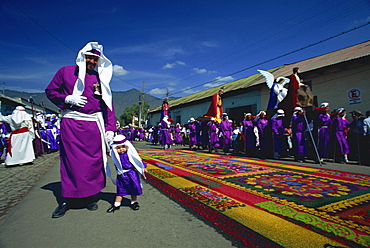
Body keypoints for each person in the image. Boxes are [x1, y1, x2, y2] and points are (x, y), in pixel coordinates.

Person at [45, 42, 117, 218]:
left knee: (94, 163)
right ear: (82, 56)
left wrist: (110, 128)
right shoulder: (65, 72)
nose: (92, 61)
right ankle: (66, 200)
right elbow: (51, 91)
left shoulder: (101, 78)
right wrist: (68, 99)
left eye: (96, 58)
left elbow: (108, 105)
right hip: (72, 125)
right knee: (72, 163)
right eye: (89, 57)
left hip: (94, 126)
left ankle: (90, 198)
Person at [106, 135, 147, 213]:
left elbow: (137, 160)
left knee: (133, 188)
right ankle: (116, 205)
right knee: (120, 190)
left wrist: (143, 167)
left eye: (123, 147)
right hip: (122, 175)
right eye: (118, 148)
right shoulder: (115, 155)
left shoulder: (130, 154)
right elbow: (109, 145)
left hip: (132, 174)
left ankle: (134, 202)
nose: (121, 149)